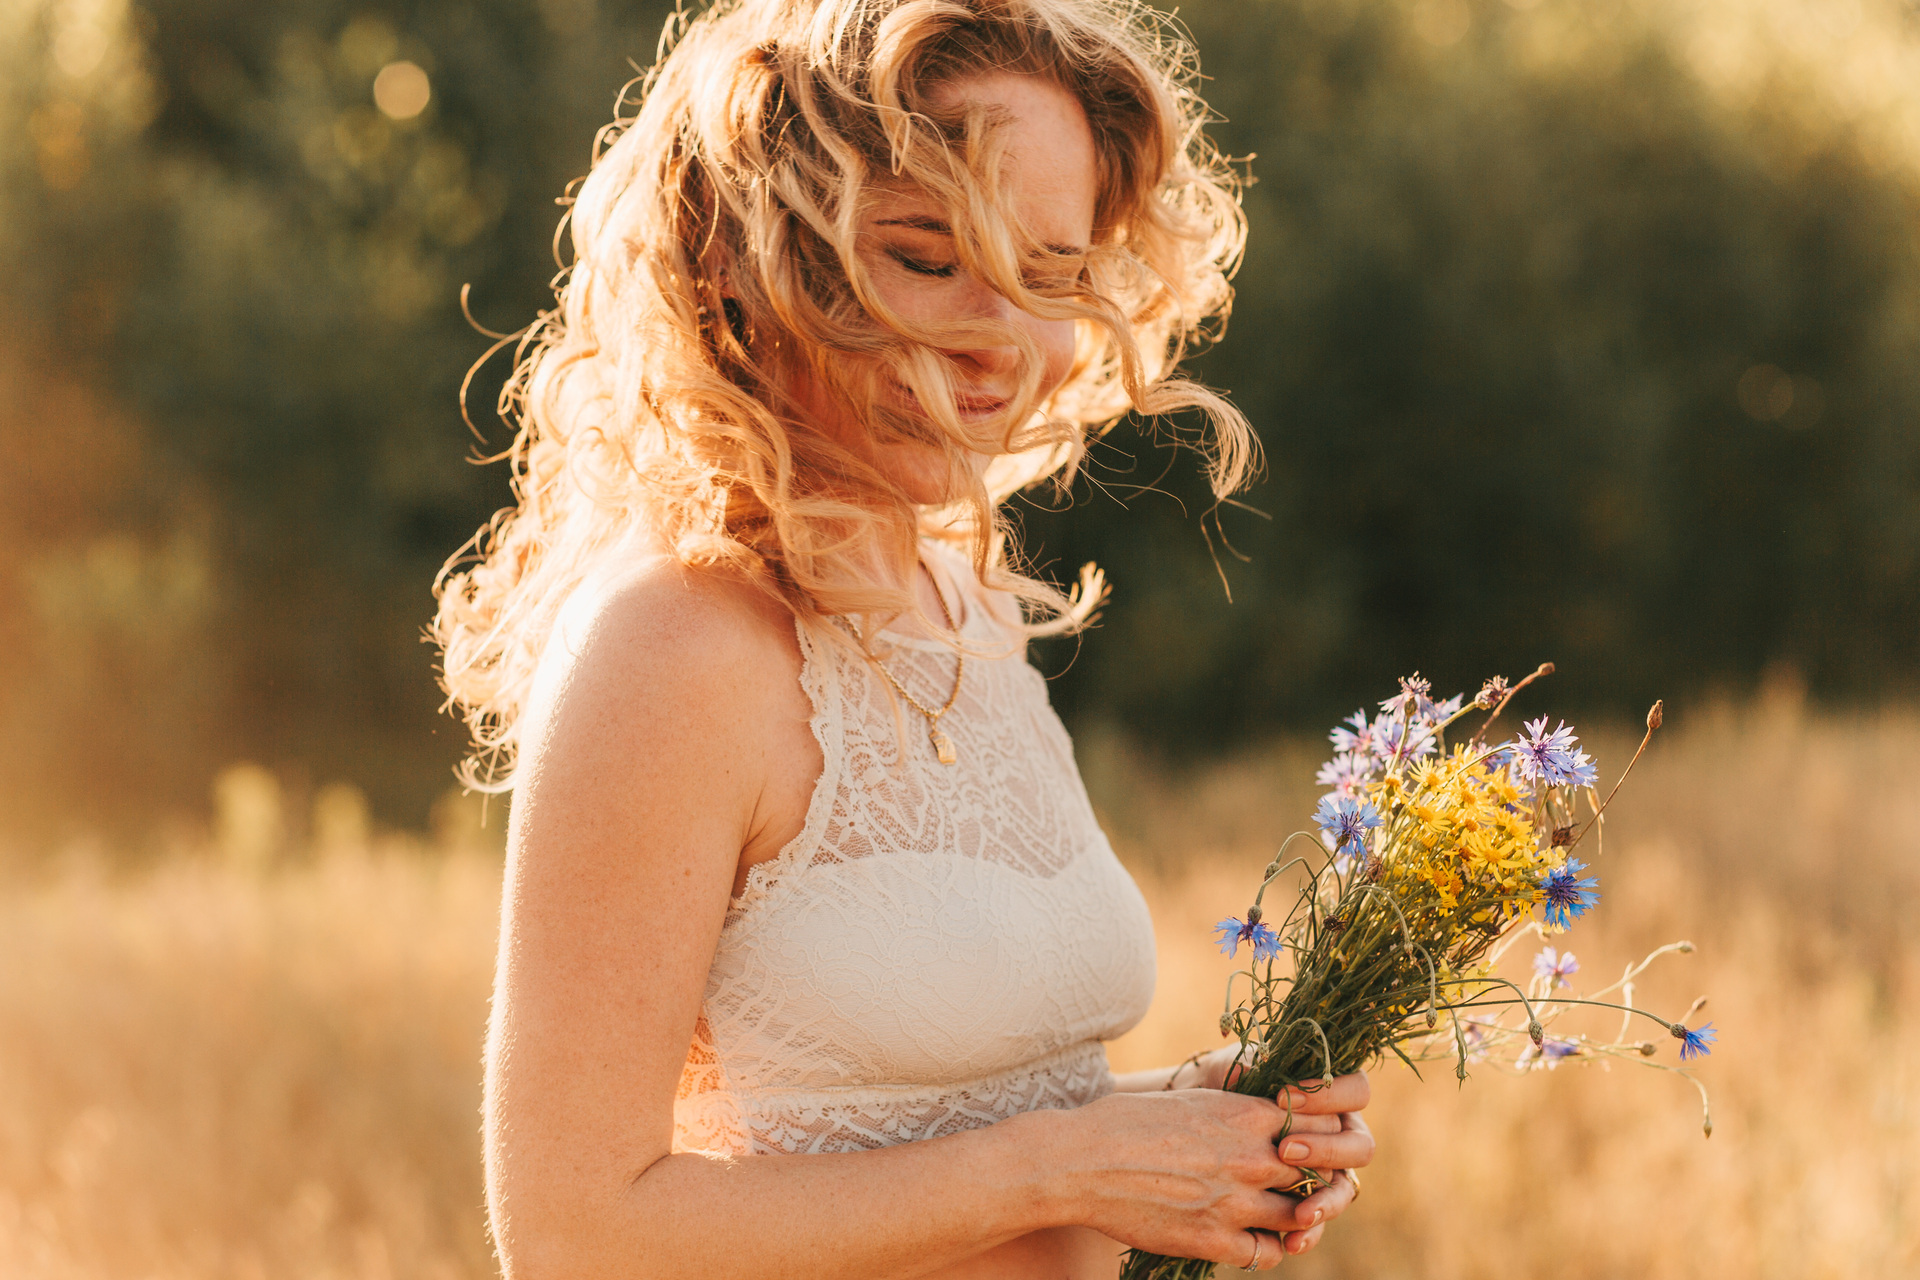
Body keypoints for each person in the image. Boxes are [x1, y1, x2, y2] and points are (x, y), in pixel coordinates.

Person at [432, 0, 1373, 1275]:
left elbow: (946, 1116)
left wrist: (1184, 1125)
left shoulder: (968, 607)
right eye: (929, 257)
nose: (1002, 341)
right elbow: (575, 1232)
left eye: (1050, 275)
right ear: (746, 260)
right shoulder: (674, 646)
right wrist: (1069, 1162)